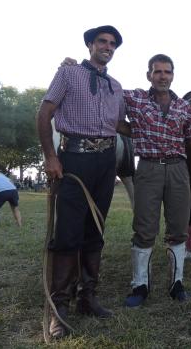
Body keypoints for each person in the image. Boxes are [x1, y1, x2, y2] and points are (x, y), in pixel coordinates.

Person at [36, 25, 127, 340]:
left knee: (96, 228)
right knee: (67, 232)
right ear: (90, 44)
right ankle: (59, 307)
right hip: (73, 160)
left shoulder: (116, 86)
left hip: (105, 163)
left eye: (112, 43)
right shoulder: (68, 74)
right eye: (102, 41)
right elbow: (44, 113)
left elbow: (119, 125)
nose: (107, 46)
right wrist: (51, 157)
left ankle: (87, 297)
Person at [120, 54, 191, 308]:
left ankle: (177, 285)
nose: (162, 76)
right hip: (148, 168)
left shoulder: (183, 107)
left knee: (178, 229)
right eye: (157, 72)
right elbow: (106, 93)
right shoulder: (134, 99)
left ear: (173, 75)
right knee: (144, 229)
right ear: (149, 75)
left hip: (179, 170)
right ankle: (140, 286)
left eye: (167, 72)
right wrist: (73, 67)